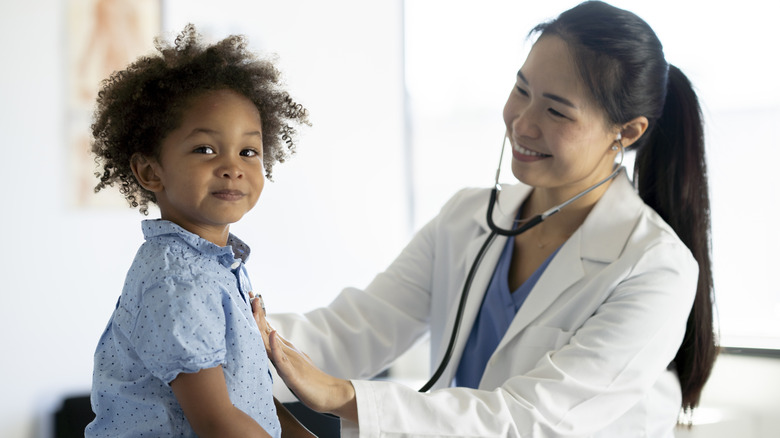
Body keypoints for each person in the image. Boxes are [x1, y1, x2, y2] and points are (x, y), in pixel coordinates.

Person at [254, 1, 718, 436]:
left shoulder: (656, 268)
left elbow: (529, 418)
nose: (523, 122)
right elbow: (355, 328)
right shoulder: (468, 217)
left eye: (556, 109)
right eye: (521, 90)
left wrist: (344, 396)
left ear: (627, 131)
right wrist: (237, 338)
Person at [85, 24, 314, 437]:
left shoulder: (216, 265)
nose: (232, 166)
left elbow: (248, 398)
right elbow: (217, 422)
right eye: (205, 149)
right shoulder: (178, 278)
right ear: (150, 171)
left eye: (248, 151)